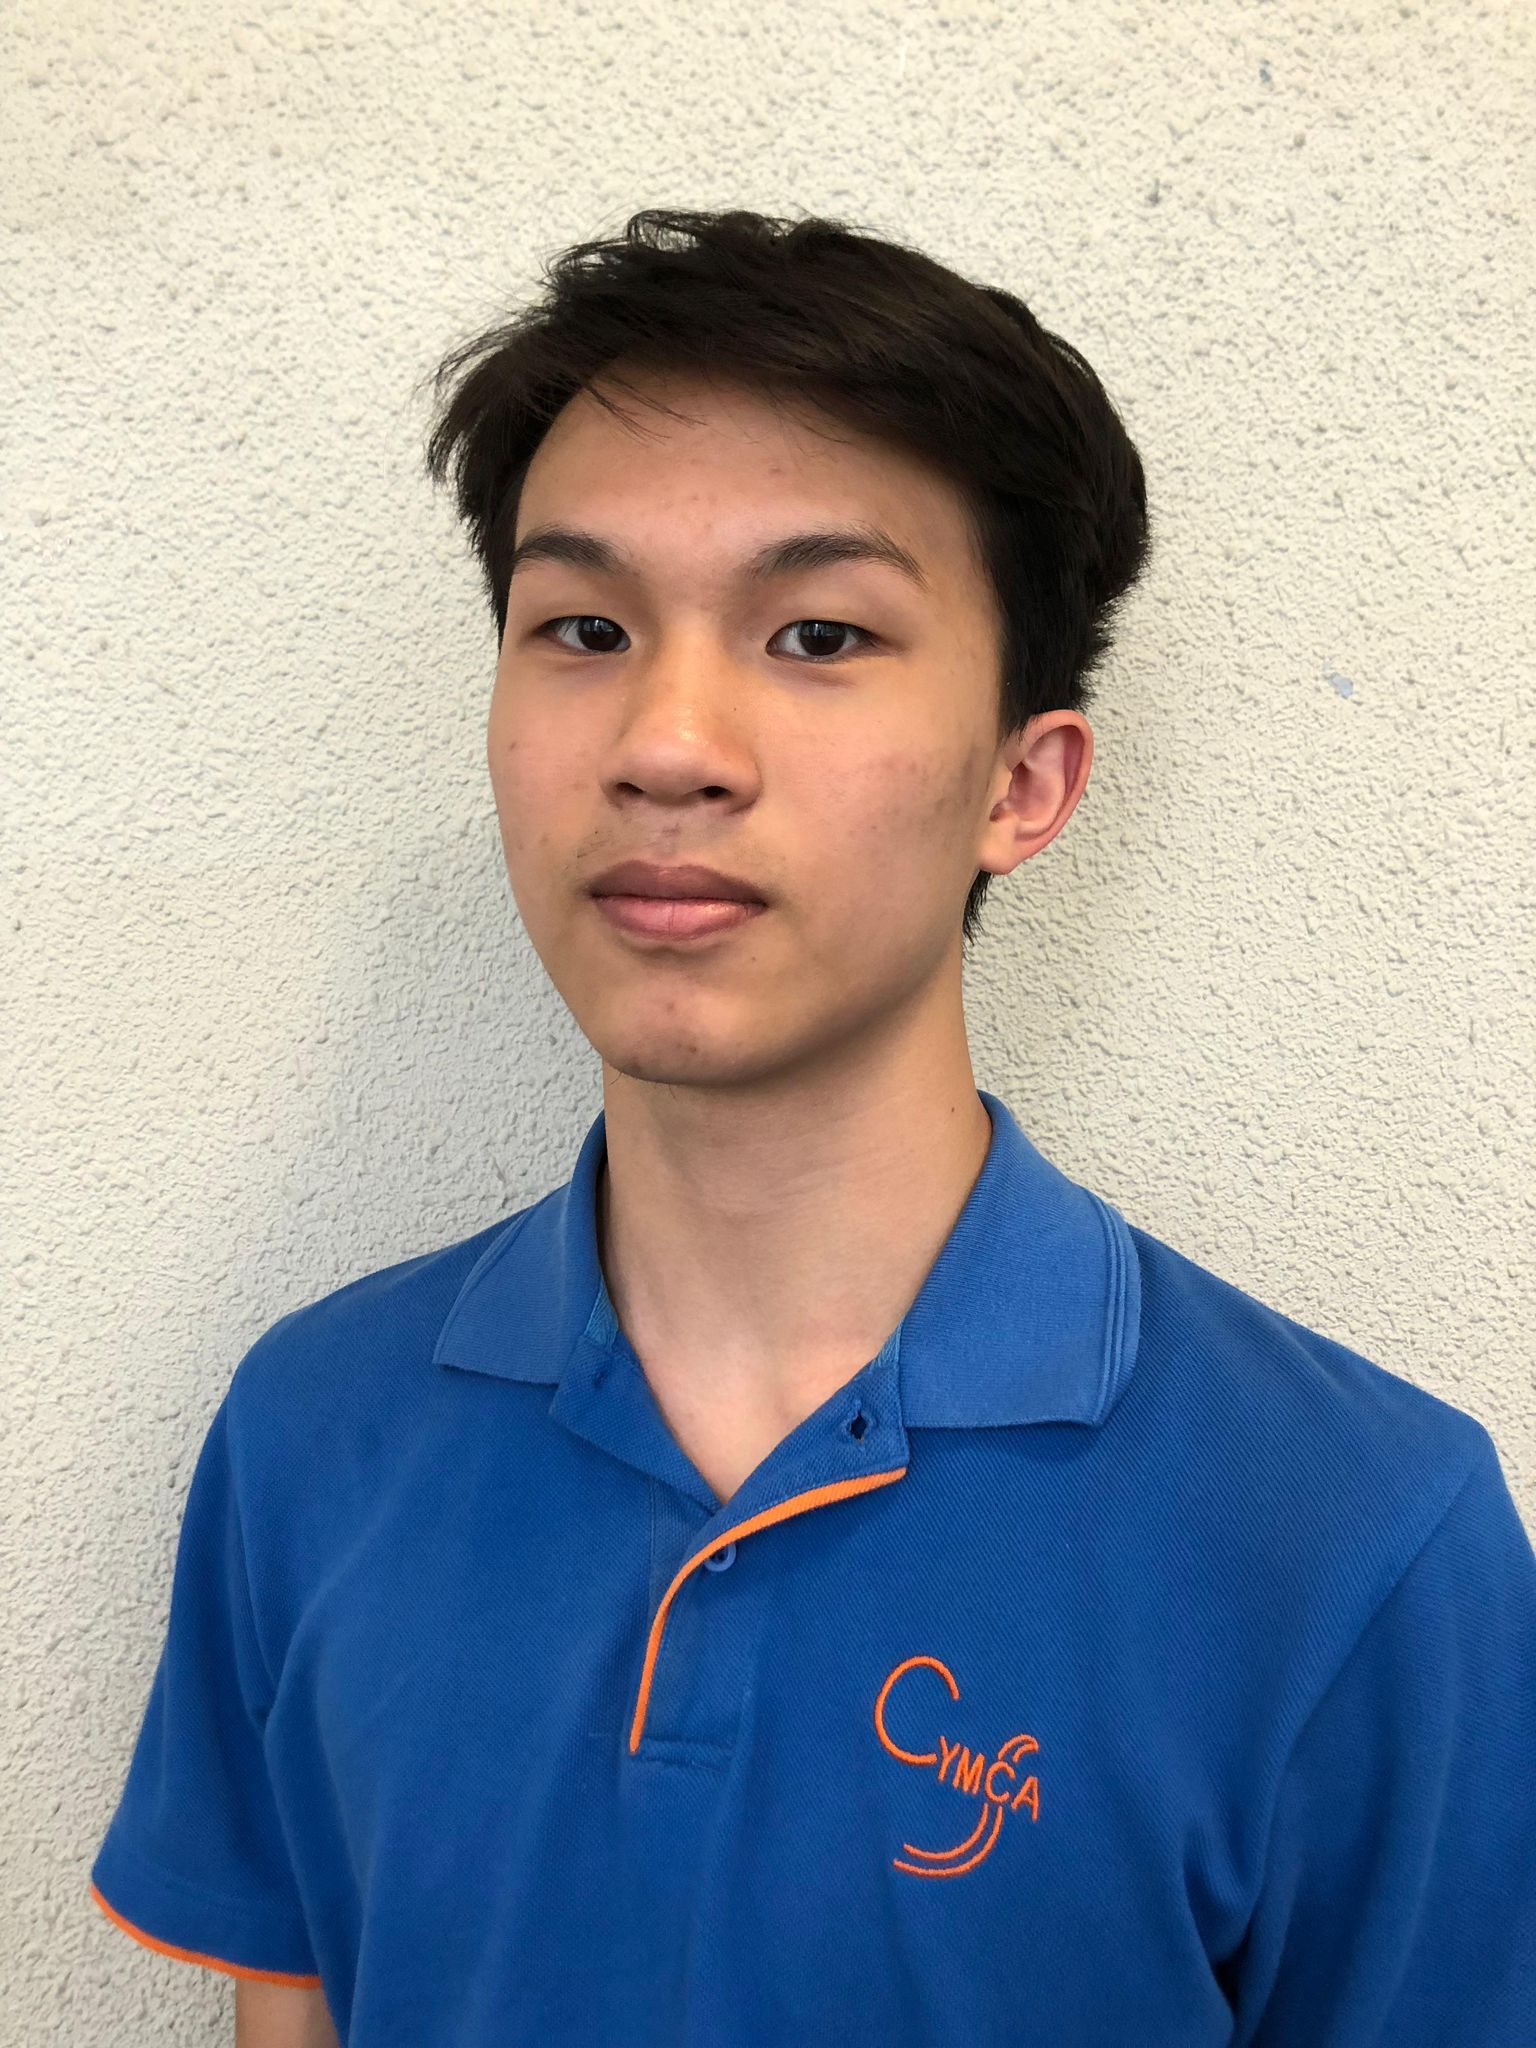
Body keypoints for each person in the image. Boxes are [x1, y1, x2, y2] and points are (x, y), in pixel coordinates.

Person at [88, 207, 1536, 2046]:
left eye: (820, 632)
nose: (668, 744)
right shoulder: (315, 1430)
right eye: (585, 627)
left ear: (1023, 782)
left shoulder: (1355, 1535)